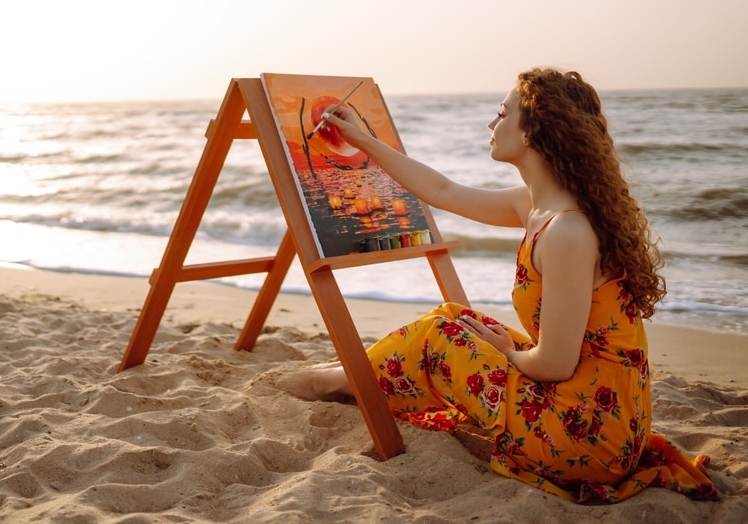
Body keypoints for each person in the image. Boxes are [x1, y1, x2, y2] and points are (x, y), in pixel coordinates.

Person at [283, 68, 718, 503]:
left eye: (502, 113)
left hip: (585, 438)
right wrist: (363, 141)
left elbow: (554, 366)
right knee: (456, 319)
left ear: (533, 132)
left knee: (439, 337)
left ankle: (335, 383)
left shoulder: (568, 231)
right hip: (596, 411)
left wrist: (506, 350)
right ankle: (347, 379)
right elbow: (441, 188)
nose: (492, 124)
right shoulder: (537, 204)